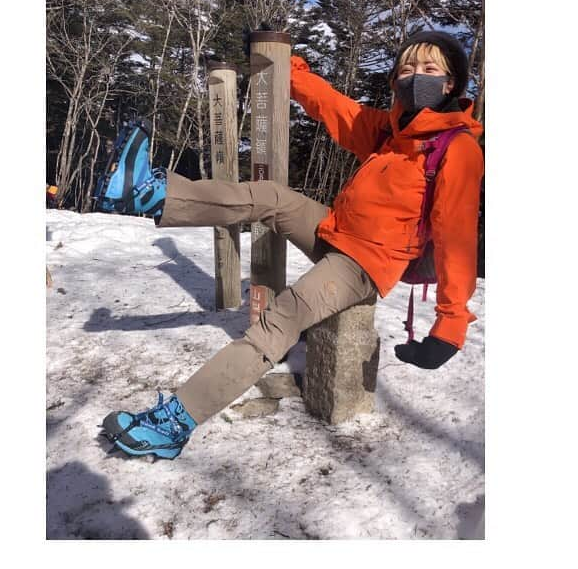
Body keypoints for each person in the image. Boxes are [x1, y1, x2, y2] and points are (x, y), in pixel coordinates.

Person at [97, 30, 484, 459]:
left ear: (450, 84)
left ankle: (175, 423)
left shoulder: (457, 148)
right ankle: (155, 195)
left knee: (281, 318)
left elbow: (457, 238)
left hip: (366, 265)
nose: (416, 77)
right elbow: (334, 107)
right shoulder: (390, 131)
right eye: (408, 68)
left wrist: (450, 326)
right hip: (336, 231)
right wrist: (286, 66)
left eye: (430, 70)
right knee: (271, 197)